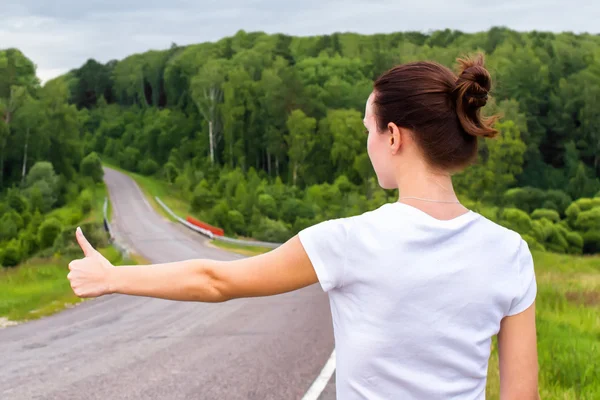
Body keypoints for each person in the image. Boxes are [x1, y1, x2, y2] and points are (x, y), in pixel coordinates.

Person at [68, 54, 539, 399]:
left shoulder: (348, 241)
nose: (368, 144)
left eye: (367, 130)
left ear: (393, 136)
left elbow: (216, 280)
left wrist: (112, 277)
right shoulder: (510, 252)